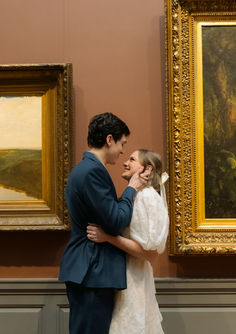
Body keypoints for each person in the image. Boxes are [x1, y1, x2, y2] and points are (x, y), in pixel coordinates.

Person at [59, 113, 149, 334]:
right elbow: (115, 222)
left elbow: (108, 216)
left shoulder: (86, 170)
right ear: (110, 139)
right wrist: (132, 188)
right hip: (92, 271)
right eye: (122, 144)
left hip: (90, 271)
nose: (122, 151)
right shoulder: (92, 172)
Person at [87, 149, 169, 334]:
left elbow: (151, 253)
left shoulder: (147, 197)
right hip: (125, 276)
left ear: (147, 169)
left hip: (134, 280)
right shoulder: (137, 196)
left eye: (131, 159)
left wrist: (107, 237)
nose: (125, 162)